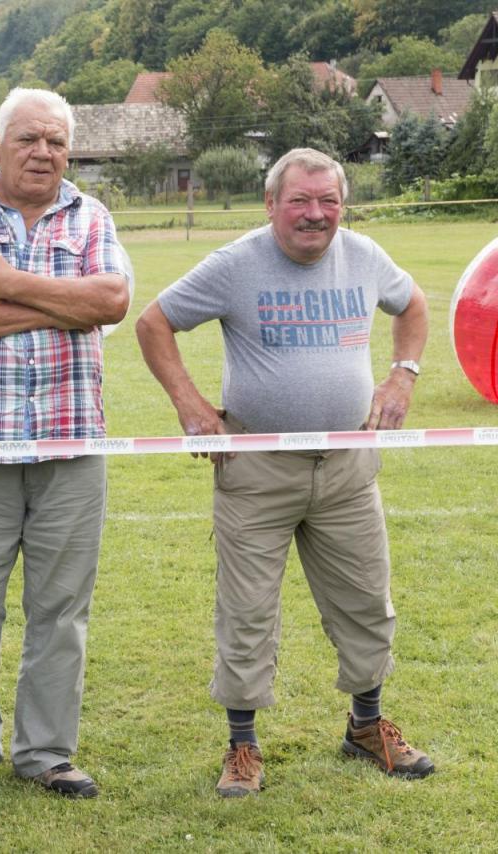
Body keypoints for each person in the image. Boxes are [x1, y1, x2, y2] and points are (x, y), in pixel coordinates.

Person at [134, 147, 432, 798]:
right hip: (256, 469)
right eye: (300, 200)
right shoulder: (236, 264)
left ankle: (366, 727)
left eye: (328, 201)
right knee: (246, 612)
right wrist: (191, 406)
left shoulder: (364, 256)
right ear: (272, 204)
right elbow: (153, 323)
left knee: (366, 601)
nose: (315, 214)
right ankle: (242, 746)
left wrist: (402, 375)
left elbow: (412, 305)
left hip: (348, 467)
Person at [0, 87, 130, 799]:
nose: (43, 152)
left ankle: (46, 753)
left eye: (56, 141)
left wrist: (8, 284)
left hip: (70, 448)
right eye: (29, 138)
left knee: (61, 614)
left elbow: (111, 302)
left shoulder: (92, 216)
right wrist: (60, 305)